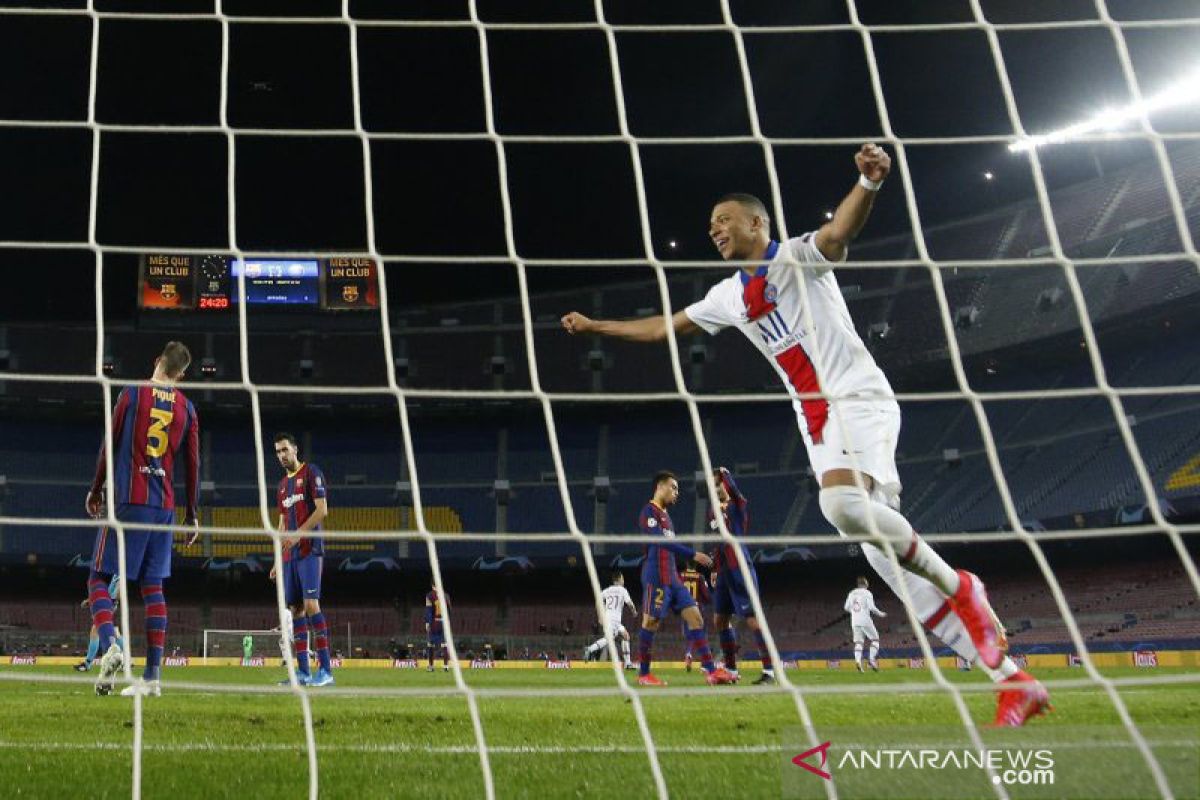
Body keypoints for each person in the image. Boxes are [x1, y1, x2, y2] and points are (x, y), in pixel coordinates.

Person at [561, 145, 1049, 724]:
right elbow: (665, 327)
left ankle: (962, 584)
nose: (714, 230)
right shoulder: (726, 296)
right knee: (889, 561)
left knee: (842, 505)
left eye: (724, 221)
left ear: (756, 222)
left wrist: (867, 184)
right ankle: (1012, 680)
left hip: (856, 395)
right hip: (816, 420)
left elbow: (838, 234)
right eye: (711, 225)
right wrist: (597, 326)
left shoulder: (795, 256)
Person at [85, 341, 200, 697]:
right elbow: (193, 464)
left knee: (97, 578)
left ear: (157, 361)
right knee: (153, 587)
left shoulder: (132, 395)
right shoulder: (188, 409)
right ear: (180, 374)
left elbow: (110, 443)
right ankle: (152, 679)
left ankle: (112, 646)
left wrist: (96, 489)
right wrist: (192, 513)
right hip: (164, 507)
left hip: (129, 502)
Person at [634, 471, 735, 687]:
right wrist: (692, 554)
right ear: (660, 487)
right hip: (656, 576)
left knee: (696, 618)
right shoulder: (648, 512)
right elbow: (660, 542)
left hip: (673, 577)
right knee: (651, 622)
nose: (676, 493)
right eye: (673, 487)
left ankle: (711, 671)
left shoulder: (667, 517)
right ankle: (644, 674)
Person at [270, 432, 333, 687]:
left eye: (285, 449)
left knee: (311, 605)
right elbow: (282, 523)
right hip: (289, 555)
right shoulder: (282, 486)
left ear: (295, 449)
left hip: (309, 550)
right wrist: (277, 558)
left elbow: (322, 510)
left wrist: (297, 536)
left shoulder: (311, 473)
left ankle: (326, 670)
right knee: (294, 610)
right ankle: (304, 673)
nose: (282, 455)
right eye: (277, 452)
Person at [708, 467, 776, 685]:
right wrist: (715, 569)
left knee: (753, 620)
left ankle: (769, 671)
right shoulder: (712, 512)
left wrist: (725, 475)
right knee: (719, 620)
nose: (716, 487)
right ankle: (731, 669)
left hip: (740, 569)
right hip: (723, 570)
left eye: (718, 483)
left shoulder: (737, 505)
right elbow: (718, 542)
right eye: (713, 484)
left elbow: (735, 492)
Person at [584, 572, 637, 668]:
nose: (623, 580)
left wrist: (600, 616)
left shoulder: (607, 590)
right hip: (614, 621)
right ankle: (590, 649)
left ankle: (628, 663)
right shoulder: (622, 590)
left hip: (610, 619)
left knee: (626, 635)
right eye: (623, 578)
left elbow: (598, 601)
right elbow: (630, 603)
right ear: (619, 579)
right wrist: (634, 612)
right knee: (608, 639)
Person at [74, 576, 123, 672]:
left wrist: (111, 601)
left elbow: (118, 590)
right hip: (109, 603)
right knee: (113, 632)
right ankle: (124, 661)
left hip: (109, 604)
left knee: (96, 629)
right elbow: (109, 592)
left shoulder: (120, 571)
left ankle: (87, 664)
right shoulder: (116, 573)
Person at [845, 576, 886, 672]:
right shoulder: (867, 593)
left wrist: (855, 612)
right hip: (865, 619)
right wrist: (881, 614)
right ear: (866, 584)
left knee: (858, 642)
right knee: (875, 639)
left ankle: (858, 662)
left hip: (854, 620)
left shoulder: (851, 593)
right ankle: (871, 660)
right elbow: (871, 607)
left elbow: (846, 607)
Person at [678, 560, 709, 672]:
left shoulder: (680, 576)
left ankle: (689, 653)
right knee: (701, 634)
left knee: (690, 635)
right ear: (695, 566)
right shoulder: (700, 577)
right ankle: (705, 664)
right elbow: (706, 595)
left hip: (685, 607)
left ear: (687, 564)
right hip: (697, 608)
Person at [426, 584, 450, 672]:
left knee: (431, 644)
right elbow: (449, 610)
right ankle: (446, 666)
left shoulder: (430, 595)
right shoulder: (446, 595)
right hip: (444, 622)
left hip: (434, 622)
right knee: (445, 645)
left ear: (432, 586)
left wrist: (427, 623)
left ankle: (431, 666)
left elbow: (428, 610)